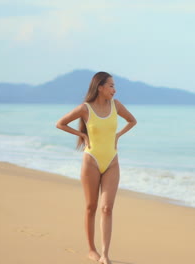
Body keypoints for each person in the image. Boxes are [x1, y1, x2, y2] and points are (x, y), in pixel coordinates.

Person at [56, 72, 137, 264]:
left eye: (114, 85)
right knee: (91, 207)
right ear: (99, 87)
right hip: (91, 160)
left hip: (112, 161)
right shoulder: (86, 108)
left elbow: (132, 121)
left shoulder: (116, 106)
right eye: (110, 85)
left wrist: (117, 136)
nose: (114, 89)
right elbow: (60, 123)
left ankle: (105, 255)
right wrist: (82, 136)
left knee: (107, 208)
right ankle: (91, 250)